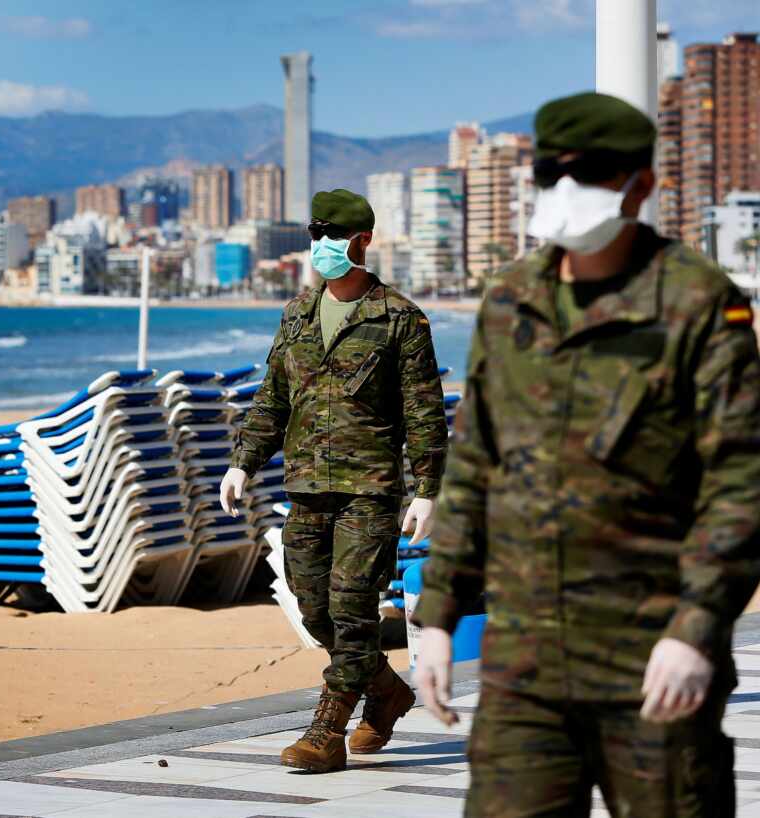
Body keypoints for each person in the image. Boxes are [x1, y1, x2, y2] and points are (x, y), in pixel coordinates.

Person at [411, 91, 760, 817]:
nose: (567, 189)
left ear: (642, 184)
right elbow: (474, 466)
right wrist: (438, 619)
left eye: (593, 172)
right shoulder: (511, 303)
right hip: (523, 668)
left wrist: (697, 631)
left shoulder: (695, 303)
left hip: (652, 658)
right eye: (551, 171)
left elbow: (741, 480)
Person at [221, 188, 450, 772]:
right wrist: (243, 461)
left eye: (333, 236)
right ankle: (388, 690)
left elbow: (424, 410)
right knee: (314, 609)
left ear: (363, 241)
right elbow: (272, 398)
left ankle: (327, 731)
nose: (322, 246)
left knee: (351, 608)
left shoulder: (399, 319)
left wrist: (427, 487)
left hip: (369, 490)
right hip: (305, 487)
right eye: (315, 235)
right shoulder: (297, 314)